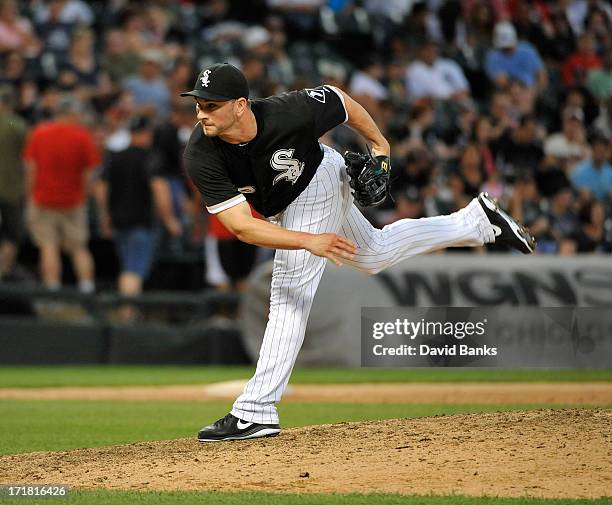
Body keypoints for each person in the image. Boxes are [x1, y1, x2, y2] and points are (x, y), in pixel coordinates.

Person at [181, 63, 535, 442]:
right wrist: (309, 240)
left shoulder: (289, 110)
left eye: (212, 105)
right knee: (373, 254)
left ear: (239, 105)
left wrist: (380, 147)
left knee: (288, 293)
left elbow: (340, 100)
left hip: (318, 180)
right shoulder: (202, 152)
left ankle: (255, 411)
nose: (202, 113)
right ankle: (478, 222)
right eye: (199, 104)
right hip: (288, 206)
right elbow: (241, 226)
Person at [94, 115, 178, 318]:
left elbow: (100, 187)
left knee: (128, 266)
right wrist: (169, 219)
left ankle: (127, 310)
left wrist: (104, 215)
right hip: (142, 221)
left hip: (119, 221)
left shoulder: (116, 156)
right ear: (146, 134)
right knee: (134, 269)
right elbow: (159, 188)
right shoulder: (151, 157)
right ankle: (127, 312)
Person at [22, 95, 99, 293]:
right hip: (73, 201)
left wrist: (30, 194)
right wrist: (85, 194)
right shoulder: (82, 136)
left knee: (48, 247)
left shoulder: (39, 133)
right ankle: (87, 288)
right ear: (72, 114)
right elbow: (89, 173)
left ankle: (52, 290)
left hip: (43, 199)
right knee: (79, 248)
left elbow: (31, 168)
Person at [0, 86, 28, 280]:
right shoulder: (19, 125)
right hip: (11, 189)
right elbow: (28, 162)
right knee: (12, 234)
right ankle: (2, 272)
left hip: (10, 188)